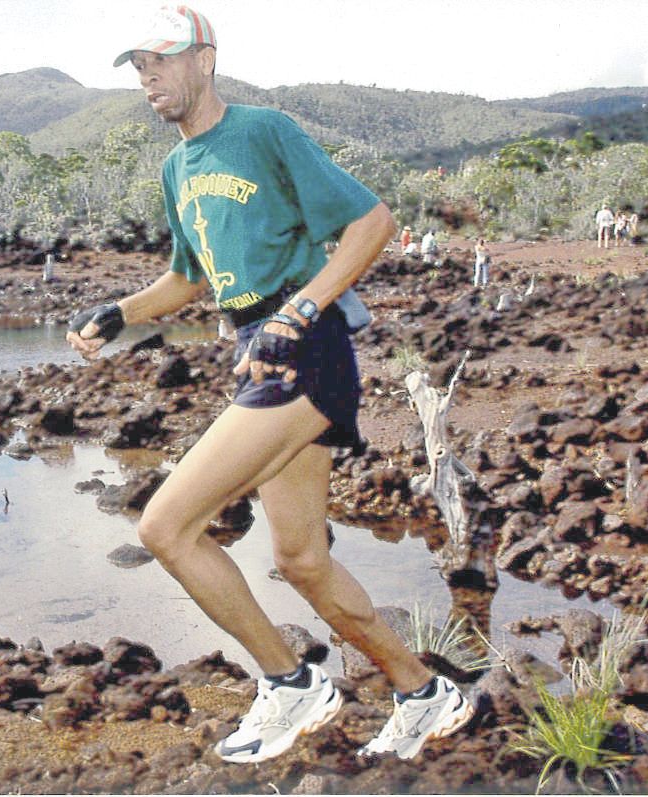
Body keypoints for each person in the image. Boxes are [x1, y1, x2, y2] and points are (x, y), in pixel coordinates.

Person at [68, 4, 473, 765]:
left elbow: (371, 224)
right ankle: (423, 693)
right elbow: (189, 277)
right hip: (260, 346)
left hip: (303, 348)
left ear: (204, 60)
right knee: (300, 559)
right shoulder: (176, 167)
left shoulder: (263, 131)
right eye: (137, 65)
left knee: (165, 526)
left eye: (160, 60)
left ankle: (290, 682)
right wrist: (116, 313)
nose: (147, 76)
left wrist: (300, 309)